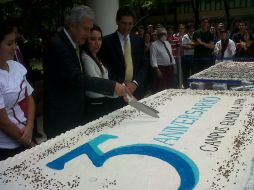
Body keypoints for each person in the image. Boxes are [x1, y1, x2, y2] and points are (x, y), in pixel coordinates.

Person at [43, 5, 127, 139]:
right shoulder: (57, 45)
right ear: (72, 25)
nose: (88, 35)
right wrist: (112, 86)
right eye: (86, 29)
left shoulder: (73, 44)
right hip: (61, 119)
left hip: (74, 114)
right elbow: (77, 78)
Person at [0, 21, 36, 161]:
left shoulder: (16, 66)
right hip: (7, 146)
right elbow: (2, 121)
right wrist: (27, 140)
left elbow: (30, 97)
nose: (15, 47)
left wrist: (30, 127)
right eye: (9, 44)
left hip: (26, 131)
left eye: (15, 43)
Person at [100, 6, 147, 110]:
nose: (127, 27)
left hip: (137, 91)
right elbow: (106, 68)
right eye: (123, 23)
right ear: (117, 21)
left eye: (130, 24)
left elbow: (144, 65)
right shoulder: (106, 42)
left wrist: (135, 83)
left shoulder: (138, 41)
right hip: (117, 94)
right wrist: (123, 86)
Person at [80, 24, 118, 123]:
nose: (97, 43)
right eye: (93, 39)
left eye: (99, 39)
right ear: (86, 40)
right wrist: (119, 90)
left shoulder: (97, 56)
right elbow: (97, 86)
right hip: (94, 107)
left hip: (103, 104)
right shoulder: (85, 58)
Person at [150, 27, 176, 92]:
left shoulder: (167, 43)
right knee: (162, 86)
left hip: (169, 67)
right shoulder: (154, 45)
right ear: (158, 35)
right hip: (161, 68)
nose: (163, 35)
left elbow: (171, 54)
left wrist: (174, 64)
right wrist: (157, 69)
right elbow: (153, 58)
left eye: (165, 34)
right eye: (161, 34)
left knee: (170, 85)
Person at [181, 23, 195, 88]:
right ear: (188, 29)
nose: (191, 29)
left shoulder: (195, 35)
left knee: (194, 72)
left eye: (192, 28)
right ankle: (186, 86)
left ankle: (193, 85)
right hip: (186, 56)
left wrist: (190, 45)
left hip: (194, 56)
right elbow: (183, 46)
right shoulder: (185, 36)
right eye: (190, 28)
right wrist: (192, 46)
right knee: (186, 73)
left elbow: (196, 44)